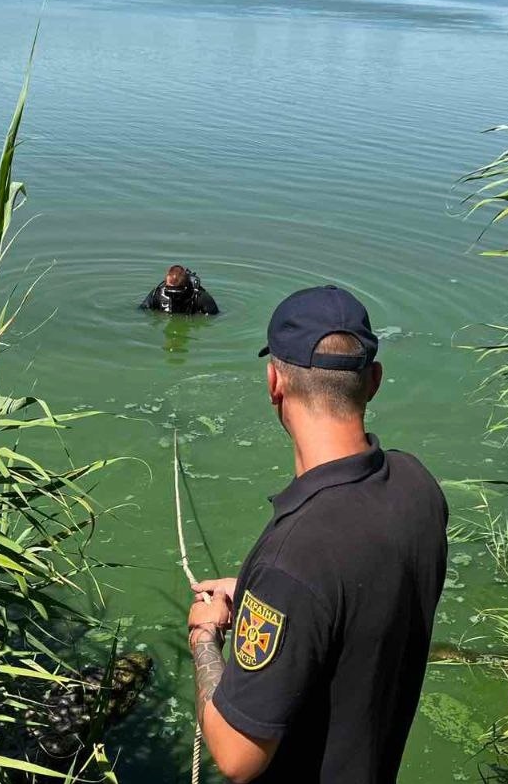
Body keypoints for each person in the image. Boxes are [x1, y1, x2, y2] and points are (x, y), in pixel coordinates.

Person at [186, 285, 449, 783]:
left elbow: (238, 756)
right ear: (374, 380)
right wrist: (254, 594)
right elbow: (361, 601)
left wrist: (204, 638)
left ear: (274, 383)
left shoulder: (293, 558)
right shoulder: (417, 486)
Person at [140, 264, 220, 315]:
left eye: (177, 293)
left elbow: (213, 317)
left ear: (186, 287)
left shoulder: (200, 297)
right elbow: (142, 310)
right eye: (168, 293)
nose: (173, 296)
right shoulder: (157, 294)